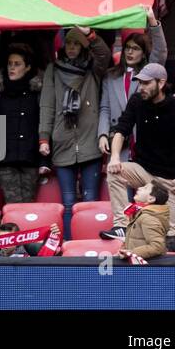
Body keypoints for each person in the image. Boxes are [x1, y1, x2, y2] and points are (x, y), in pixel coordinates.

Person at [102, 65, 175, 238]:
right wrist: (115, 157)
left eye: (146, 83)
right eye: (140, 83)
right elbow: (121, 130)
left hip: (168, 179)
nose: (141, 88)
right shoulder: (137, 100)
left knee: (169, 235)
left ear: (161, 83)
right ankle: (122, 226)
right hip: (142, 170)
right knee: (114, 171)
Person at [36, 28, 111, 235]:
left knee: (89, 200)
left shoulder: (92, 69)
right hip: (62, 141)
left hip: (90, 141)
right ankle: (70, 245)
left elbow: (104, 54)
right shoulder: (54, 68)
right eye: (68, 43)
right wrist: (44, 137)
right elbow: (47, 105)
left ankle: (91, 243)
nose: (71, 48)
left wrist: (91, 36)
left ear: (83, 46)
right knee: (68, 202)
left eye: (76, 44)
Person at [100, 15, 169, 155]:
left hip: (144, 136)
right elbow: (105, 108)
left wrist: (153, 22)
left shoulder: (149, 73)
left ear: (144, 54)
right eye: (127, 47)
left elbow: (160, 52)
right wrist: (102, 134)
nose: (130, 52)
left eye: (135, 48)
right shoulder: (110, 76)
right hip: (119, 139)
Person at [0, 44, 43, 206]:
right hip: (5, 158)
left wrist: (44, 161)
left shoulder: (36, 94)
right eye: (10, 63)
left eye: (17, 64)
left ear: (28, 67)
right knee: (13, 205)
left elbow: (43, 125)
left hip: (30, 156)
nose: (12, 68)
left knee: (28, 205)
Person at [119, 180, 173, 260]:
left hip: (146, 267)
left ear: (151, 199)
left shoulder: (148, 218)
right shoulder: (141, 214)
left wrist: (132, 252)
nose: (140, 188)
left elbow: (157, 246)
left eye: (145, 188)